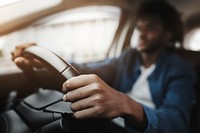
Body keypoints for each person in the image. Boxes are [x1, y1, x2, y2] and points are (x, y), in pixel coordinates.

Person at [11, 0, 197, 133]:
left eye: (151, 28)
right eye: (139, 27)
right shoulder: (128, 58)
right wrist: (40, 66)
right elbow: (89, 69)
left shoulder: (180, 68)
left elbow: (176, 122)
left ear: (167, 35)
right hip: (111, 122)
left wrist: (126, 104)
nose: (141, 34)